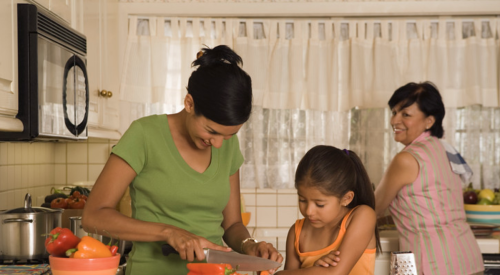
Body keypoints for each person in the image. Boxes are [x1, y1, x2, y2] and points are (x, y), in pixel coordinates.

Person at [82, 45, 283, 275]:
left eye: (229, 135)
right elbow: (93, 215)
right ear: (189, 103)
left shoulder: (227, 145)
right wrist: (169, 232)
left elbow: (232, 225)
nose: (218, 144)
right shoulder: (144, 135)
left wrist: (250, 245)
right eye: (211, 131)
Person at [374, 82, 484, 275]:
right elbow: (430, 207)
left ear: (429, 121)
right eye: (394, 112)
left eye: (405, 114)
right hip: (468, 258)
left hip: (432, 263)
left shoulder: (406, 159)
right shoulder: (445, 149)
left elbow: (374, 208)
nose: (394, 120)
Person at [277, 145, 381, 275]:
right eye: (302, 200)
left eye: (319, 204)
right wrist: (316, 268)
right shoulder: (296, 232)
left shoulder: (362, 216)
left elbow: (336, 273)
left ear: (346, 198)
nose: (309, 211)